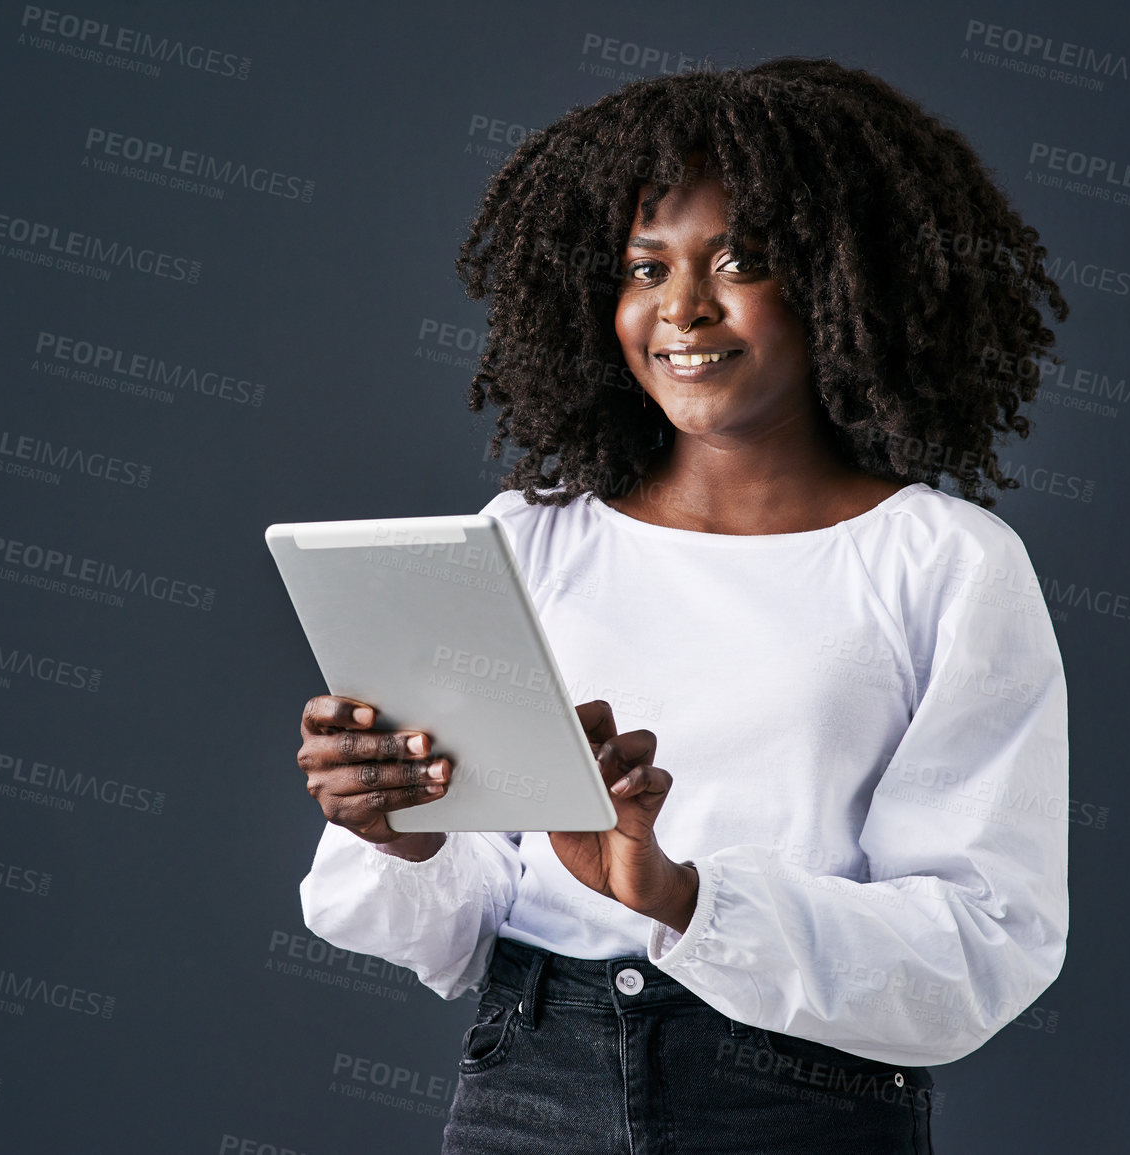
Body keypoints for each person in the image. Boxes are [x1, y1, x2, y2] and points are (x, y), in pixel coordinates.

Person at [295, 56, 1070, 1154]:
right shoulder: (526, 536)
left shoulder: (946, 564)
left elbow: (984, 944)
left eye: (742, 260)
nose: (683, 308)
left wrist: (687, 899)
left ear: (849, 280)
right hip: (531, 1079)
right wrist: (401, 831)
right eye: (644, 267)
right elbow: (462, 932)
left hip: (798, 1099)